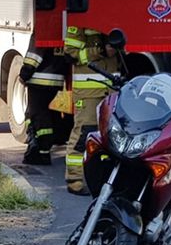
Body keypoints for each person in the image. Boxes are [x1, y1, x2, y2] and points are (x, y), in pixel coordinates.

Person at [64, 24, 121, 196]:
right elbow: (70, 54)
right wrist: (101, 51)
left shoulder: (114, 17)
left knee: (109, 137)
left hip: (110, 91)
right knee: (84, 134)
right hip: (88, 92)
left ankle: (103, 179)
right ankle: (75, 180)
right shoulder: (80, 21)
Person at [19, 43, 72, 165]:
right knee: (46, 114)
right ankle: (41, 149)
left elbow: (35, 53)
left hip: (38, 79)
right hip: (56, 79)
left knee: (39, 116)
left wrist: (25, 73)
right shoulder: (60, 28)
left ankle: (42, 153)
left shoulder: (44, 27)